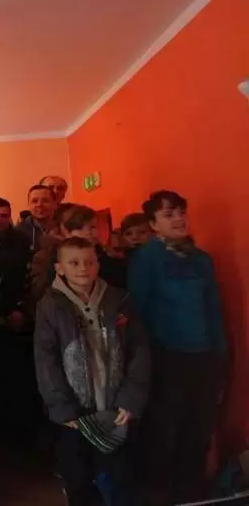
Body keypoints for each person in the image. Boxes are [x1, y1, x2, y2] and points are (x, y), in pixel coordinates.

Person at [35, 237, 150, 506]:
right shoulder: (50, 306)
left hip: (115, 409)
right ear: (60, 268)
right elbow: (46, 360)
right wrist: (62, 407)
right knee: (78, 479)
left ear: (98, 264)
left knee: (120, 478)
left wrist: (131, 398)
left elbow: (139, 349)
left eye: (89, 262)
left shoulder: (118, 299)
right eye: (74, 263)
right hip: (75, 414)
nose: (83, 268)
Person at [128, 190, 227, 504]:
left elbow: (214, 309)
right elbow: (139, 312)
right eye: (168, 214)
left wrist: (220, 355)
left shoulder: (202, 259)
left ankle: (192, 493)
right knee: (165, 430)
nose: (179, 219)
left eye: (181, 212)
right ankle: (159, 492)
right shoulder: (146, 259)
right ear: (153, 224)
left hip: (204, 355)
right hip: (166, 356)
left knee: (199, 429)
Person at [0, 197, 39, 443]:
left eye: (4, 215)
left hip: (18, 319)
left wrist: (20, 310)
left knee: (18, 378)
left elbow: (29, 279)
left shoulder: (22, 242)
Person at [17, 184, 58, 251]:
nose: (39, 204)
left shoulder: (65, 228)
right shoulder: (18, 232)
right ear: (28, 205)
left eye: (45, 200)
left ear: (55, 204)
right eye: (35, 201)